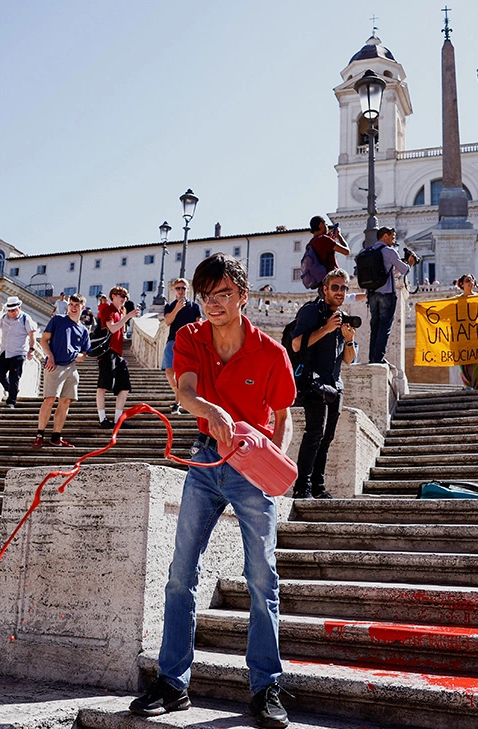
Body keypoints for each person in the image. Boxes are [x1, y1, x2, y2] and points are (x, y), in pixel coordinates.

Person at [129, 253, 294, 728]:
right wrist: (209, 409)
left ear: (244, 296)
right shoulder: (190, 335)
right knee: (181, 572)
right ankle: (173, 683)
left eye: (223, 294)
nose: (212, 304)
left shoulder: (271, 353)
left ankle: (266, 688)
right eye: (206, 296)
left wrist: (273, 466)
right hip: (204, 459)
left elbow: (284, 416)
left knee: (262, 578)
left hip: (251, 467)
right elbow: (183, 391)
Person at [291, 268, 357, 500]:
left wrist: (349, 340)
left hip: (334, 385)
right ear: (325, 289)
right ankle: (302, 488)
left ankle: (318, 487)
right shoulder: (312, 311)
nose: (340, 292)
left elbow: (349, 360)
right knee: (314, 434)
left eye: (344, 288)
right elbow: (297, 344)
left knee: (327, 438)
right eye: (335, 287)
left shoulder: (341, 318)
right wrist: (327, 328)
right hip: (314, 382)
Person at [33, 293, 90, 448]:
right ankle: (40, 434)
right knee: (49, 399)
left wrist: (76, 355)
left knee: (65, 402)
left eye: (77, 305)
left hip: (71, 368)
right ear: (68, 306)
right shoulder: (58, 320)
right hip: (55, 364)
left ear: (82, 308)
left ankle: (56, 436)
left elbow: (84, 355)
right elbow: (44, 340)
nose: (73, 307)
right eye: (71, 304)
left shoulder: (84, 330)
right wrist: (50, 356)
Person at [363, 226, 413, 364]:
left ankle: (372, 358)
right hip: (386, 295)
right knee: (385, 327)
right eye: (392, 237)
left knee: (375, 327)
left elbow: (387, 273)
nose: (393, 240)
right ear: (385, 236)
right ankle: (379, 358)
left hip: (372, 294)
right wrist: (410, 262)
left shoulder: (368, 251)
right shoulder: (389, 252)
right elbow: (404, 270)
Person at [96, 286, 139, 429]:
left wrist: (121, 355)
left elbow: (119, 336)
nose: (124, 299)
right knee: (103, 386)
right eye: (122, 296)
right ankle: (102, 419)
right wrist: (128, 317)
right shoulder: (107, 308)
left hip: (117, 354)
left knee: (125, 387)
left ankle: (117, 420)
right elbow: (112, 328)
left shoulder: (120, 312)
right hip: (107, 352)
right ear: (113, 295)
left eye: (126, 297)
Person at [163, 278, 201, 415]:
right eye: (178, 288)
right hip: (172, 340)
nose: (181, 291)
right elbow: (167, 322)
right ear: (174, 290)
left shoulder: (195, 307)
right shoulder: (169, 306)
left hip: (188, 343)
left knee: (181, 374)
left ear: (188, 290)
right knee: (169, 371)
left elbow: (198, 324)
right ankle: (180, 393)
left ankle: (177, 403)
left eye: (183, 288)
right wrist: (177, 308)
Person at [455, 274, 478, 390]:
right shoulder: (456, 301)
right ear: (462, 284)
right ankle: (467, 384)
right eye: (467, 280)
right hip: (462, 335)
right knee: (463, 360)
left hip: (476, 333)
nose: (470, 282)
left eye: (472, 280)